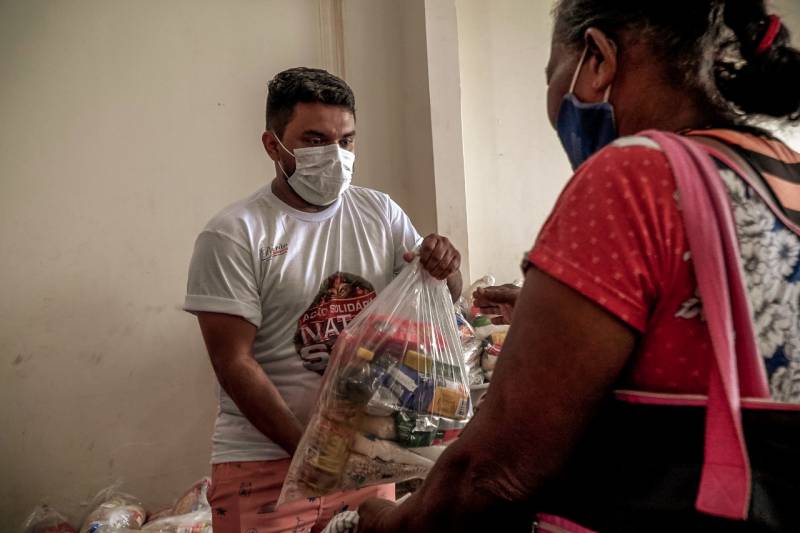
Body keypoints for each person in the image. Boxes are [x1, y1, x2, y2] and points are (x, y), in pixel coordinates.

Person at [358, 1, 800, 531]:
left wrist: (380, 520)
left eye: (553, 76)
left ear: (598, 58)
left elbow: (493, 474)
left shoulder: (636, 175)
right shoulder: (783, 174)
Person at [183, 67, 462, 533]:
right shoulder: (235, 234)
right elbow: (234, 363)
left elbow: (443, 298)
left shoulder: (380, 213)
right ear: (274, 146)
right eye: (314, 140)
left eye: (346, 141)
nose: (335, 156)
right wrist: (315, 453)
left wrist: (446, 266)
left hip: (368, 458)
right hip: (265, 465)